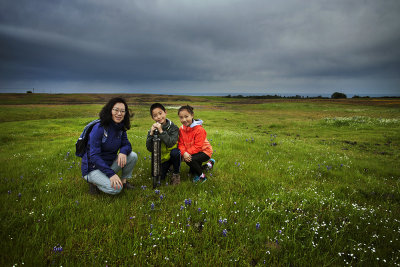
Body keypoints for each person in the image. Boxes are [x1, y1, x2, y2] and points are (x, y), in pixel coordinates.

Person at [81, 97, 138, 195]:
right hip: (93, 168)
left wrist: (123, 152)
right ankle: (93, 183)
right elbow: (94, 156)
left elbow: (126, 144)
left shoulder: (120, 128)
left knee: (132, 156)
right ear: (109, 110)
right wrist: (111, 174)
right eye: (116, 110)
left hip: (108, 164)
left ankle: (124, 182)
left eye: (122, 111)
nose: (119, 114)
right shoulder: (99, 128)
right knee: (116, 189)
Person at [177, 105, 215, 183]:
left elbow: (198, 146)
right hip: (193, 152)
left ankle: (202, 177)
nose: (184, 119)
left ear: (192, 115)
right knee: (192, 172)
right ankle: (209, 165)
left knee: (190, 160)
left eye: (186, 116)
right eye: (181, 117)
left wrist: (187, 154)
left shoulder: (199, 129)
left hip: (205, 152)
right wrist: (184, 153)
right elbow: (180, 144)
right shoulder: (181, 129)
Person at [146, 103, 181, 185]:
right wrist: (151, 134)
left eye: (160, 113)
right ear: (152, 117)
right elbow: (149, 148)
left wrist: (161, 132)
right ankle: (168, 167)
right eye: (155, 115)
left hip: (172, 155)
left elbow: (170, 143)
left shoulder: (174, 128)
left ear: (165, 112)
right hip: (161, 158)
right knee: (160, 178)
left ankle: (176, 174)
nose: (158, 117)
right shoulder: (152, 130)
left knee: (176, 152)